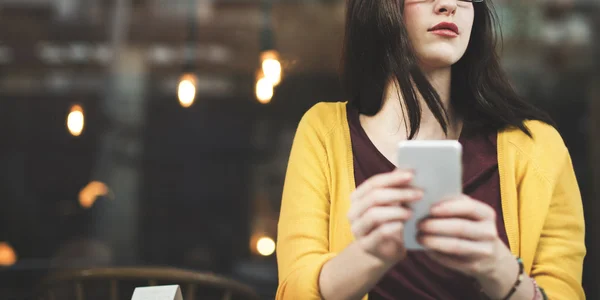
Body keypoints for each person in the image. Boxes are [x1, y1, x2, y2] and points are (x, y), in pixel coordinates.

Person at [275, 0, 586, 299]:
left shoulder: (537, 147)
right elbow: (295, 289)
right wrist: (367, 256)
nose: (448, 4)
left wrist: (498, 268)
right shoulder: (324, 131)